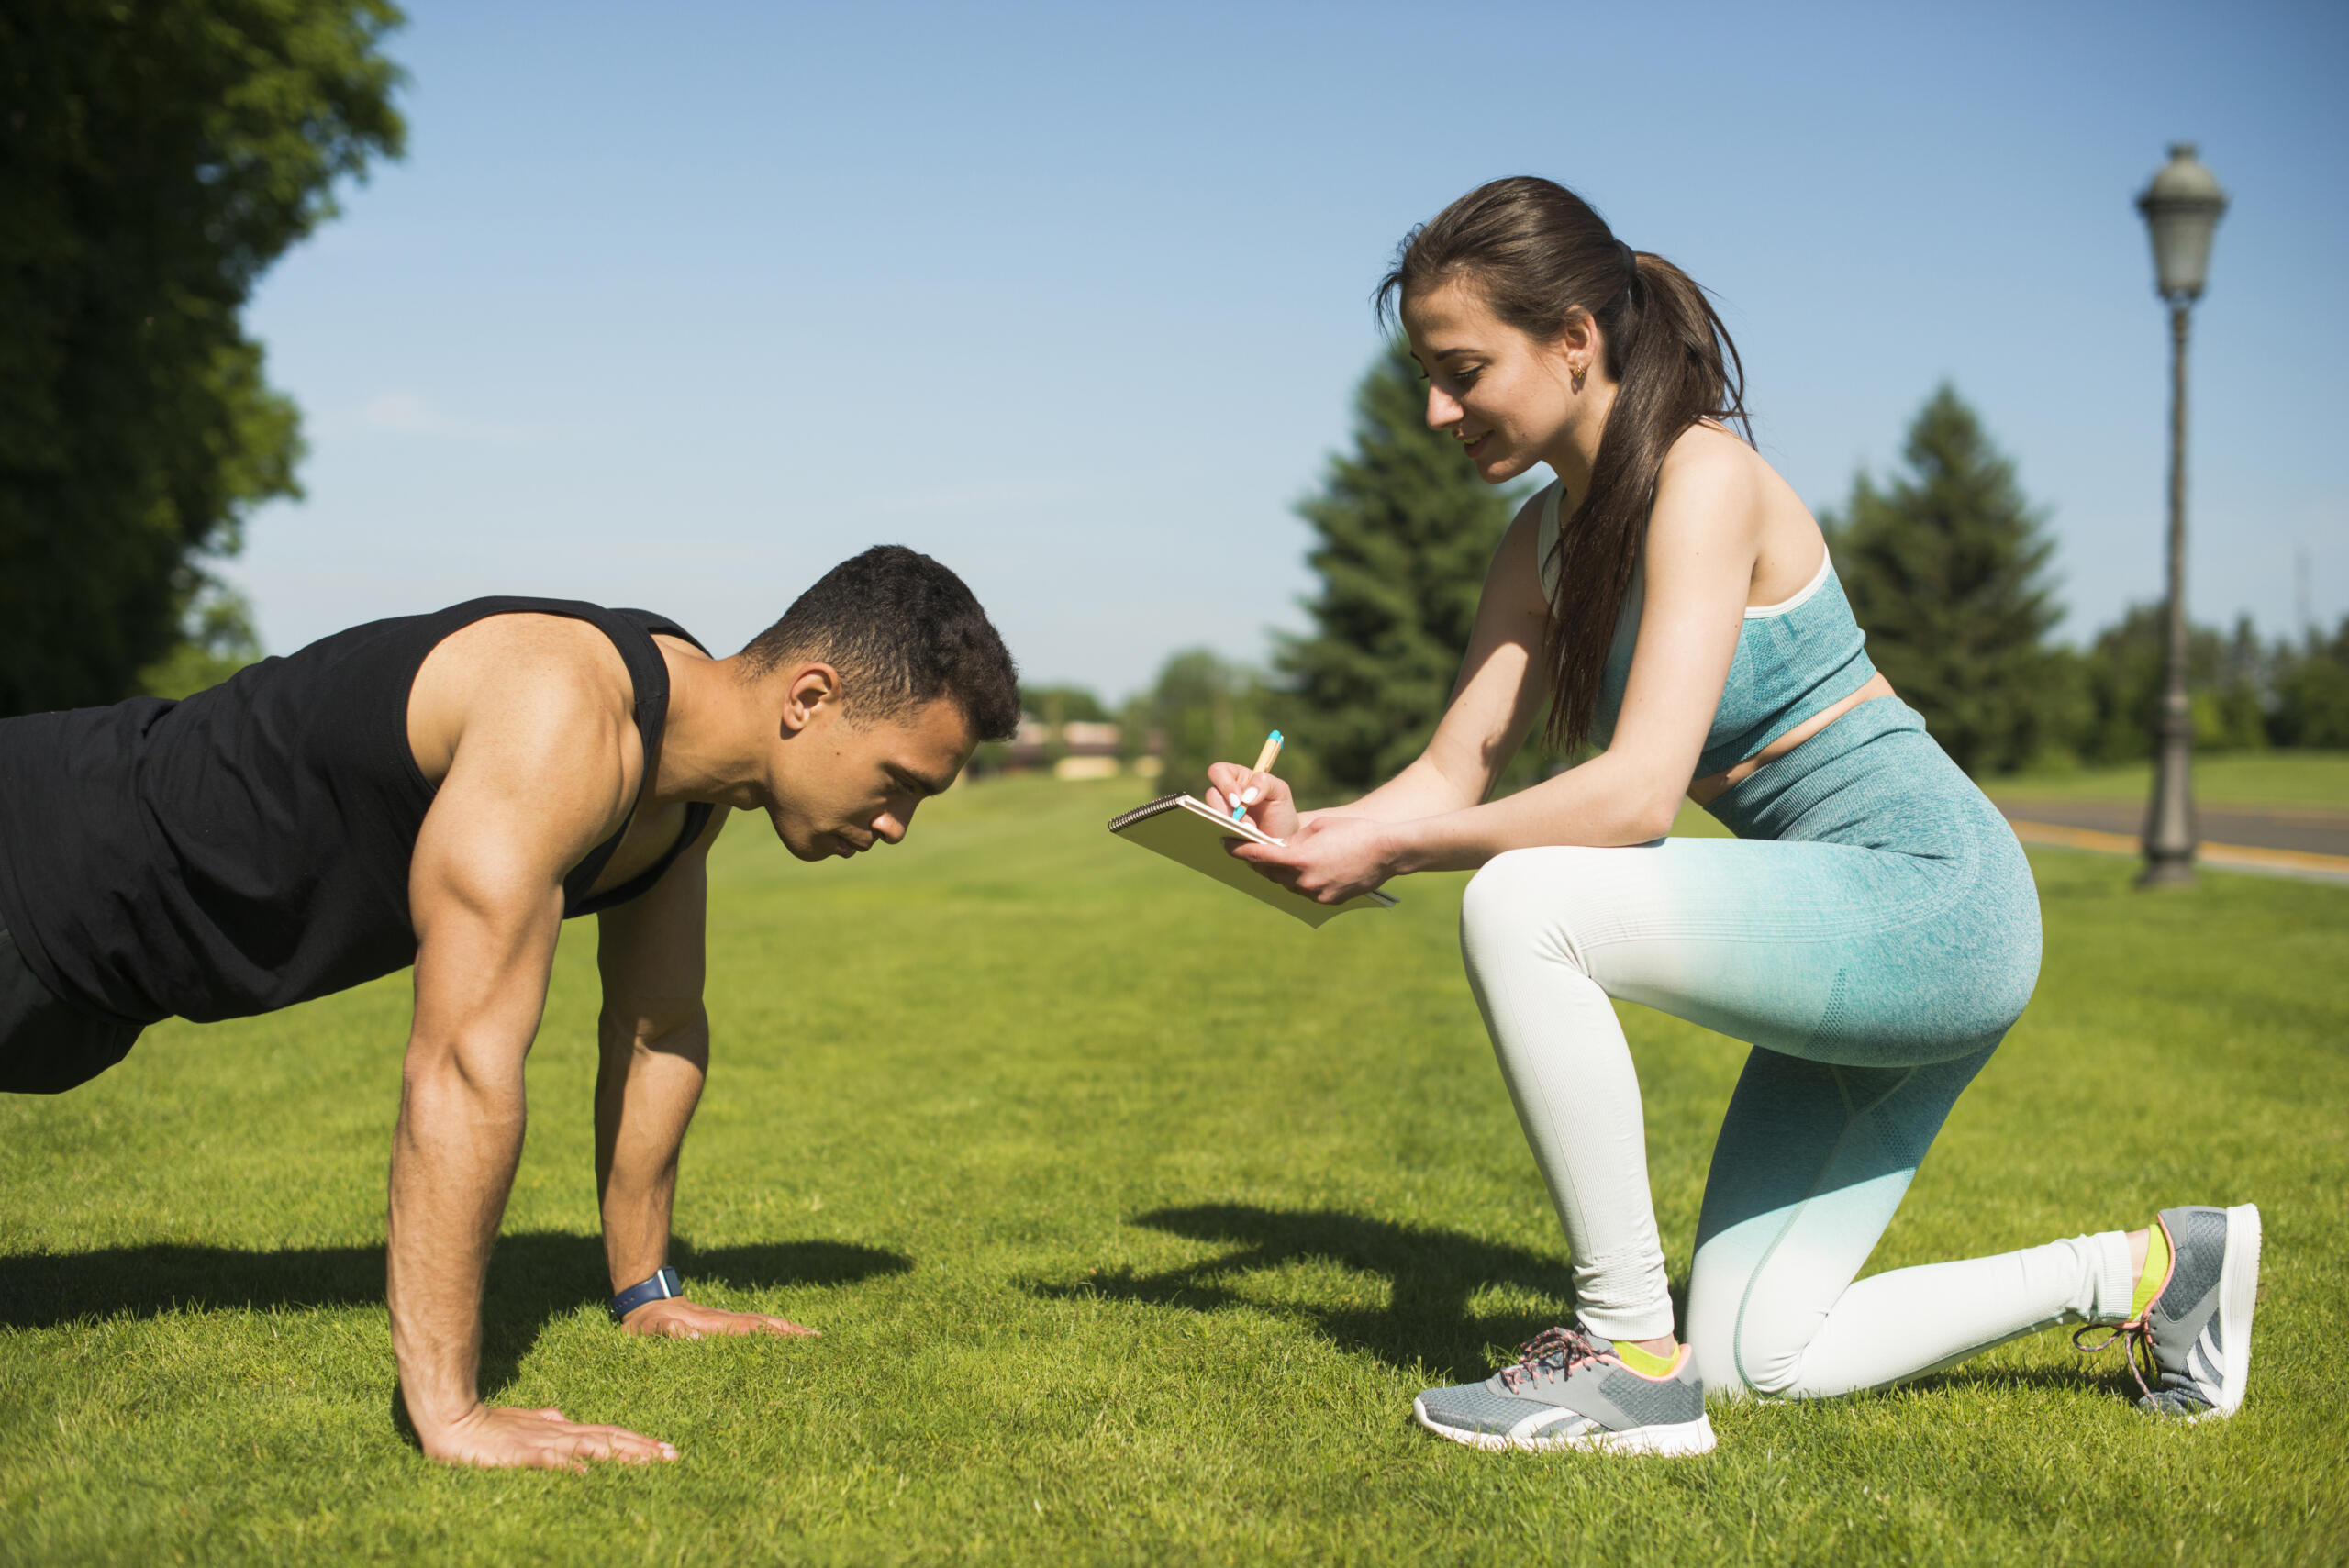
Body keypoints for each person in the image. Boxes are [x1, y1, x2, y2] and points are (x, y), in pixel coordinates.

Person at [1207, 177, 2260, 1456]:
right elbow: (1447, 774)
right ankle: (2154, 1272)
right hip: (1840, 921)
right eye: (1427, 376)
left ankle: (1626, 1359)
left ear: (1574, 341)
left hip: (1933, 896)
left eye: (1462, 371)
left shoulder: (1703, 477)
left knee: (1521, 902)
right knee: (1761, 1356)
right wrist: (1312, 823)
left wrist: (1392, 848)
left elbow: (1638, 794)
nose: (1437, 409)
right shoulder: (1537, 544)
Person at [0, 544, 1019, 1471]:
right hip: (34, 864)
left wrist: (646, 1292)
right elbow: (463, 1059)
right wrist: (451, 1410)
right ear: (810, 696)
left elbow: (659, 1025)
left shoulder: (687, 788)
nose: (897, 823)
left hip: (100, 972)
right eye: (899, 780)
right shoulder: (560, 713)